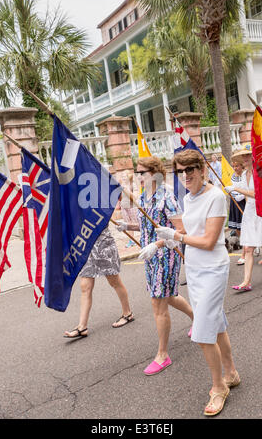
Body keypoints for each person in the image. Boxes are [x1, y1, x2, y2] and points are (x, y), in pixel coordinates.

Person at [156, 149, 238, 417]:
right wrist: (162, 240)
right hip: (194, 268)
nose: (185, 175)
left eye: (190, 169)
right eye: (180, 171)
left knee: (203, 331)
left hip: (213, 268)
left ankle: (218, 387)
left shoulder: (215, 196)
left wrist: (177, 237)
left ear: (202, 169)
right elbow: (189, 233)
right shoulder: (189, 198)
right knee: (217, 324)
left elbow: (209, 241)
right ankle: (232, 373)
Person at [117, 156, 193, 376]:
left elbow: (181, 231)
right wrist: (127, 226)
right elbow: (149, 226)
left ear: (156, 172)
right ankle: (197, 320)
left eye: (142, 172)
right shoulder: (145, 196)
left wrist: (157, 244)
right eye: (138, 173)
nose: (139, 176)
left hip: (166, 254)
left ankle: (163, 355)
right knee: (168, 296)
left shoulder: (167, 196)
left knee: (158, 302)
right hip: (150, 256)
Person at [225, 145, 262, 290]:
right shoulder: (244, 175)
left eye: (247, 155)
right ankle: (246, 282)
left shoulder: (260, 173)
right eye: (243, 156)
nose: (244, 158)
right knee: (248, 248)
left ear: (254, 157)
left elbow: (259, 195)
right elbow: (246, 195)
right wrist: (235, 193)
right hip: (250, 213)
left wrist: (236, 188)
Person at [64, 226, 134, 338]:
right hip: (85, 248)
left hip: (103, 244)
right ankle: (82, 327)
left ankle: (127, 313)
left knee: (114, 282)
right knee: (85, 287)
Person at [227, 157, 246, 265]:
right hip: (235, 203)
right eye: (233, 166)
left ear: (241, 166)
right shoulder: (233, 176)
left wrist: (242, 195)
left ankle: (244, 253)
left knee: (244, 227)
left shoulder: (245, 175)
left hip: (243, 202)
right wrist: (232, 192)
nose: (235, 168)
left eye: (237, 166)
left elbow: (248, 189)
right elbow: (233, 187)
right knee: (238, 229)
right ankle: (246, 248)